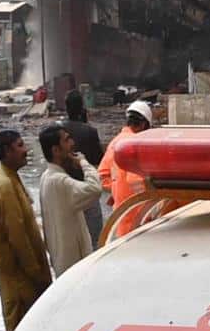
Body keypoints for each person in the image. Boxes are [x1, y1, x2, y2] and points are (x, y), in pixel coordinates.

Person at [0, 130, 50, 331]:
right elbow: (18, 239)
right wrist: (37, 274)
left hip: (25, 277)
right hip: (20, 281)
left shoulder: (10, 176)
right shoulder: (4, 185)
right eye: (20, 146)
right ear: (7, 151)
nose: (26, 151)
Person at [37, 125, 101, 275]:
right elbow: (95, 189)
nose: (72, 143)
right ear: (56, 150)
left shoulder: (46, 176)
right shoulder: (60, 181)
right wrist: (83, 163)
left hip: (61, 259)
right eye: (67, 140)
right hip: (73, 264)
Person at [60, 90, 104, 242]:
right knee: (94, 237)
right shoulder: (90, 131)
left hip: (66, 191)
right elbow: (98, 159)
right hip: (87, 188)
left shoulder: (58, 131)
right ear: (82, 108)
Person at [99, 100, 153, 209]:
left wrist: (117, 189)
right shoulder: (137, 144)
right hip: (138, 214)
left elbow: (102, 176)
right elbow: (138, 183)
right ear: (144, 125)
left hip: (120, 212)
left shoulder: (115, 142)